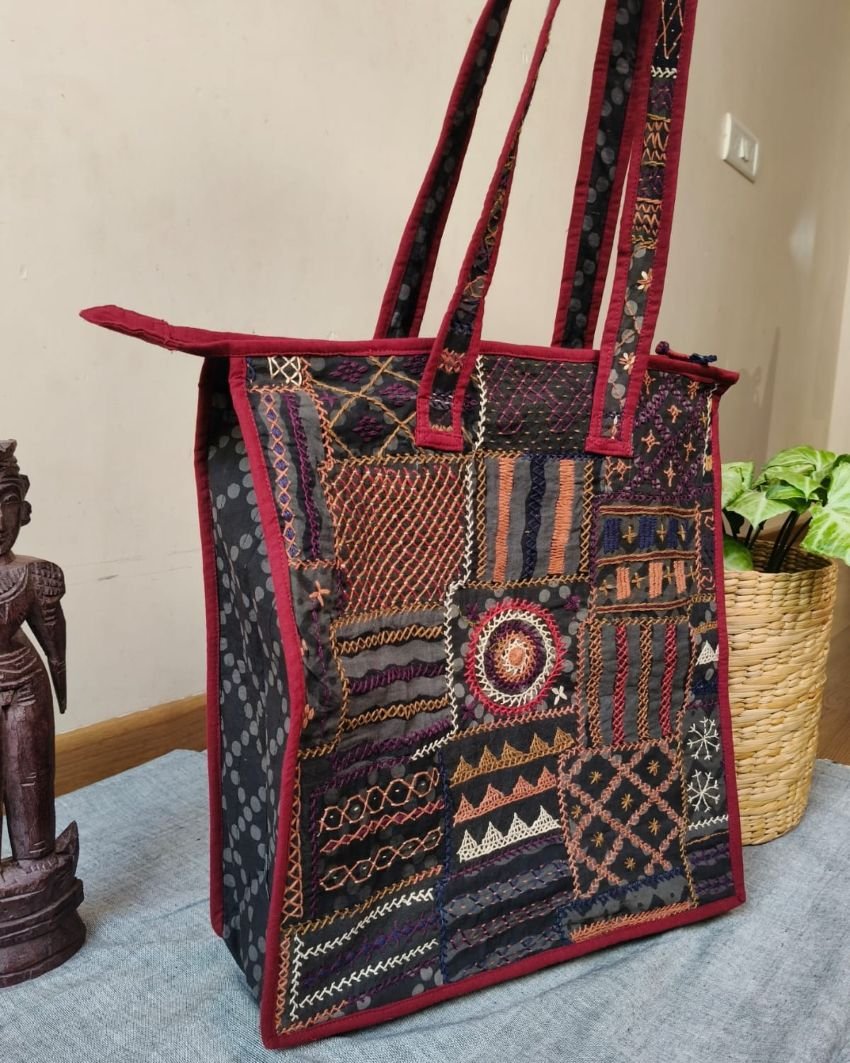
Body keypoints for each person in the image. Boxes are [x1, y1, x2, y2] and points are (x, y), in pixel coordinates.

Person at [0, 439, 66, 866]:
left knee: (30, 776)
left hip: (25, 685)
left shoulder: (33, 573)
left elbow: (53, 637)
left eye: (6, 503)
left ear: (24, 509)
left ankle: (36, 857)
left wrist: (60, 678)